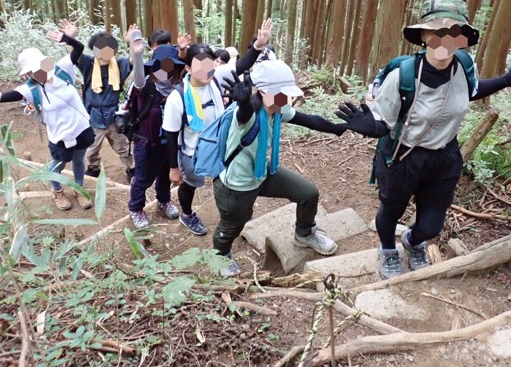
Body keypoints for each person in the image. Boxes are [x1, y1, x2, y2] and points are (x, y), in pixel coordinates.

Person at [336, 0, 511, 279]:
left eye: (453, 31)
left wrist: (507, 79)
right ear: (423, 36)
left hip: (445, 157)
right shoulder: (402, 76)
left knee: (431, 226)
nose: (444, 39)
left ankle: (413, 242)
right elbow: (383, 124)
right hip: (403, 156)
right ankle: (387, 251)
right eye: (436, 31)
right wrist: (364, 125)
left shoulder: (464, 66)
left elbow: (472, 91)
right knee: (391, 211)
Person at [213, 60, 348, 276]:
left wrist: (339, 128)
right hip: (237, 184)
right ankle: (221, 255)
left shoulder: (277, 108)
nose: (288, 99)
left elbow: (308, 120)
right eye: (283, 94)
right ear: (264, 91)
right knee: (232, 226)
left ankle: (304, 234)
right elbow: (243, 114)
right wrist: (244, 102)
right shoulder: (248, 114)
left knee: (308, 193)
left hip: (260, 170)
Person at [0, 26, 95, 211]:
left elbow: (78, 48)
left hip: (81, 128)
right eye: (33, 70)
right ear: (28, 73)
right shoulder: (29, 89)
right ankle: (57, 191)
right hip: (60, 136)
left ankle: (79, 189)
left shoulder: (63, 69)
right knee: (58, 165)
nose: (38, 71)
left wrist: (68, 39)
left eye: (40, 66)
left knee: (79, 161)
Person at [163, 19, 273, 235]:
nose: (206, 70)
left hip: (221, 145)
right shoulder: (177, 98)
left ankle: (233, 213)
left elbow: (241, 65)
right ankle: (187, 214)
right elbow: (170, 135)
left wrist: (259, 45)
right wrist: (174, 168)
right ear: (187, 68)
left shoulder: (216, 79)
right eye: (199, 66)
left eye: (209, 64)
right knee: (191, 184)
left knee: (224, 179)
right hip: (192, 152)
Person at [125, 29, 184, 228]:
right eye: (161, 66)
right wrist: (139, 55)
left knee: (165, 175)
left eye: (170, 66)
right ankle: (136, 209)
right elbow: (139, 78)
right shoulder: (146, 88)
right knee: (142, 178)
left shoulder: (178, 89)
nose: (165, 70)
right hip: (146, 142)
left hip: (168, 142)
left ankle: (164, 200)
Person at [72, 21, 137, 182]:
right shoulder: (88, 64)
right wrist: (71, 38)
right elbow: (77, 54)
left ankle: (131, 169)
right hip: (93, 117)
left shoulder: (120, 64)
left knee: (122, 146)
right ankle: (93, 168)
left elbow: (134, 60)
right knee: (91, 149)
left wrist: (131, 43)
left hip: (114, 117)